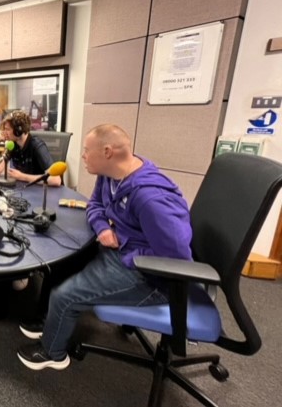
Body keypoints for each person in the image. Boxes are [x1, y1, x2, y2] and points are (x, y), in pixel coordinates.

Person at [17, 124, 193, 370]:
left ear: (107, 152)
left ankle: (52, 353)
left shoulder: (150, 198)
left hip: (151, 276)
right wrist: (102, 228)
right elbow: (95, 205)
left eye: (87, 150)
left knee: (65, 295)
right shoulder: (110, 174)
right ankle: (49, 321)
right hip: (121, 252)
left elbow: (177, 259)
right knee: (60, 264)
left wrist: (126, 250)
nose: (82, 156)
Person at [0, 110, 61, 186]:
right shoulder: (13, 144)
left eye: (7, 129)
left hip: (42, 190)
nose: (4, 132)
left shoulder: (37, 146)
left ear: (18, 131)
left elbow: (56, 180)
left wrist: (22, 176)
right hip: (24, 188)